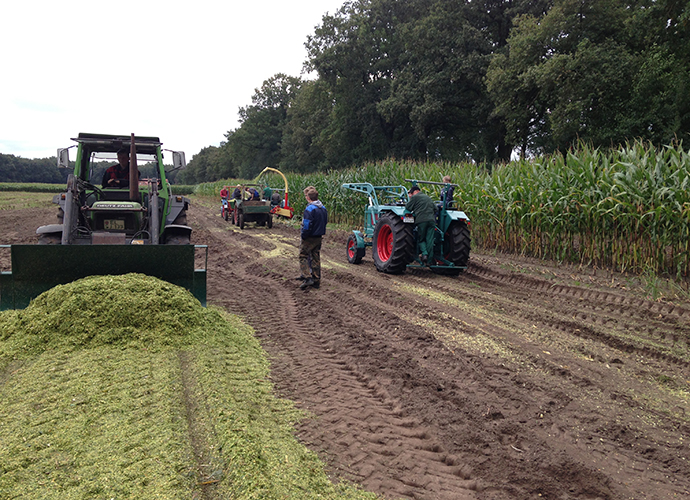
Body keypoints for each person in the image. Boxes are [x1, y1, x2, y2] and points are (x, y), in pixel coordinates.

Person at [297, 186, 327, 290]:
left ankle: (307, 277)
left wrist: (304, 235)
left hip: (309, 237)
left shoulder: (309, 209)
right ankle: (316, 280)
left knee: (303, 256)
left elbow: (307, 224)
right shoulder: (323, 208)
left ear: (308, 198)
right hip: (319, 236)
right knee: (316, 258)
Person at [405, 185, 436, 265]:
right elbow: (435, 208)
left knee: (421, 238)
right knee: (430, 240)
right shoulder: (427, 197)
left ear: (415, 192)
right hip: (432, 221)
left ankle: (424, 254)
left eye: (411, 193)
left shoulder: (415, 197)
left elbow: (408, 207)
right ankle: (429, 261)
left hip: (422, 221)